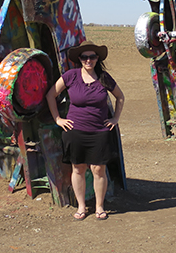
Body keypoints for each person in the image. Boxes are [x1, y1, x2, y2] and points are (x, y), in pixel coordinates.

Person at [46, 40, 124, 221]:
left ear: (97, 58)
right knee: (78, 168)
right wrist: (58, 119)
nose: (88, 60)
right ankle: (81, 207)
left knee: (98, 170)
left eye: (92, 57)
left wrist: (115, 118)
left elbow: (120, 97)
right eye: (85, 57)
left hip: (99, 131)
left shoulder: (104, 78)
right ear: (79, 59)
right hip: (75, 130)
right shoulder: (71, 76)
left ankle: (99, 207)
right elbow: (51, 95)